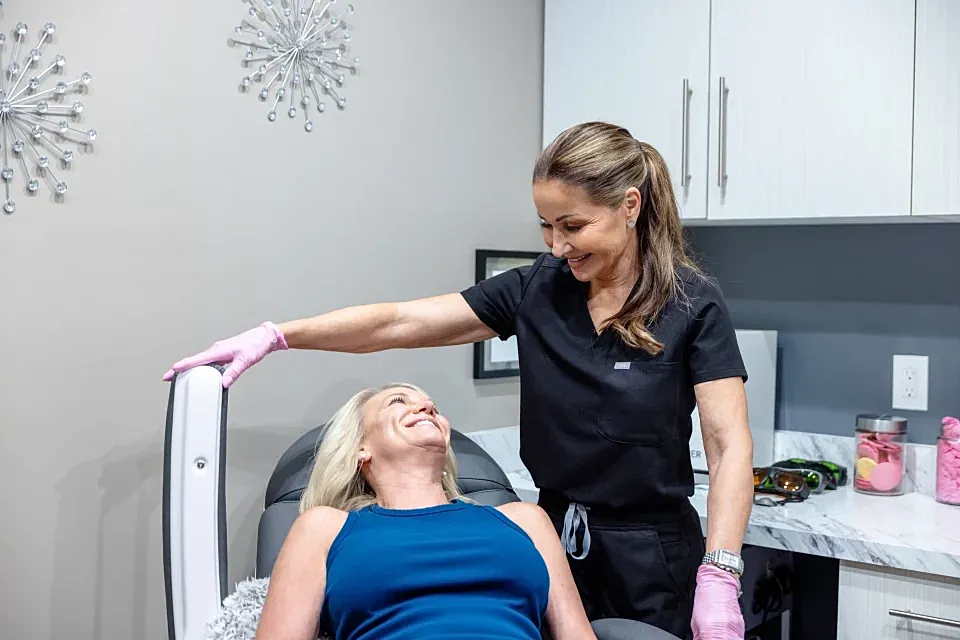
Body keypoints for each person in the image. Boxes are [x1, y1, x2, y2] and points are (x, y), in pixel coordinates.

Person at [165, 121, 751, 640]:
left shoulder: (692, 306)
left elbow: (728, 449)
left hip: (649, 552)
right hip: (553, 532)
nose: (556, 245)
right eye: (546, 225)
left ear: (630, 205)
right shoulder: (536, 290)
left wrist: (720, 570)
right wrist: (277, 335)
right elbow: (398, 322)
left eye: (573, 225)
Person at [255, 382, 598, 640]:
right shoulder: (325, 528)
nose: (427, 408)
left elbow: (577, 635)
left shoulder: (524, 520)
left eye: (431, 406)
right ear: (361, 447)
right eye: (399, 401)